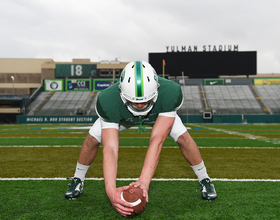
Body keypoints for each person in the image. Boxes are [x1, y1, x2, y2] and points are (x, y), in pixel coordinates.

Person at [65, 61, 217, 216]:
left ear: (157, 88)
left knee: (183, 137)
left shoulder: (170, 92)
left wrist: (144, 182)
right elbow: (110, 148)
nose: (139, 106)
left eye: (144, 100)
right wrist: (110, 191)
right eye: (135, 101)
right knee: (91, 140)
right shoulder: (108, 100)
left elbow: (157, 140)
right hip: (124, 117)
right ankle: (78, 179)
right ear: (121, 91)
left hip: (158, 114)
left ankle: (204, 179)